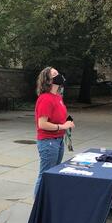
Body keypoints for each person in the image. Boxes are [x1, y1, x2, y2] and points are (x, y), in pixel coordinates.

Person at [34, 67, 74, 196]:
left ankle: (47, 202)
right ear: (48, 80)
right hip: (48, 143)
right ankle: (37, 206)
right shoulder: (46, 98)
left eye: (58, 73)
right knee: (45, 175)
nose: (59, 75)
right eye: (55, 74)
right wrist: (62, 127)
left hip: (58, 141)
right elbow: (42, 124)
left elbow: (60, 116)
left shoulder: (57, 97)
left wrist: (68, 121)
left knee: (53, 174)